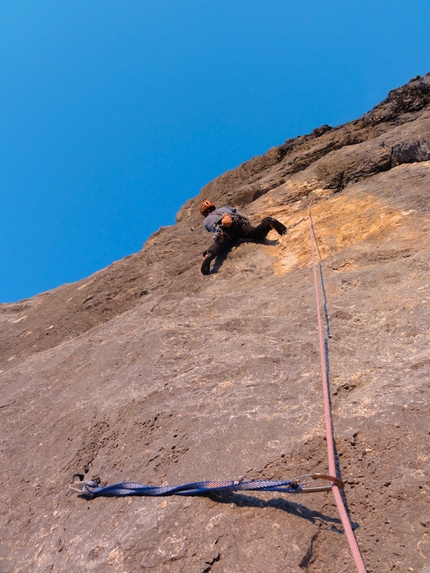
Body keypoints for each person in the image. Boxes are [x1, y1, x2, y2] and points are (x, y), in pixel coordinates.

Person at [199, 199, 287, 275]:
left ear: (204, 213)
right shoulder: (225, 209)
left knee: (220, 244)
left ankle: (209, 255)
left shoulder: (206, 220)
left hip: (226, 231)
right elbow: (245, 217)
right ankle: (268, 223)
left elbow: (213, 229)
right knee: (256, 233)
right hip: (240, 225)